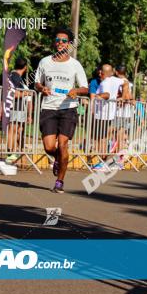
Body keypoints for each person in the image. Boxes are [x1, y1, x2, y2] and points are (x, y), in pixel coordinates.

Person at [35, 27, 89, 193]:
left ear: (69, 44)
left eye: (64, 41)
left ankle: (60, 182)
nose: (60, 43)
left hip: (68, 109)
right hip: (49, 108)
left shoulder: (75, 64)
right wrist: (42, 88)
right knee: (49, 147)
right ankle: (58, 159)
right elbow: (37, 83)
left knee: (63, 144)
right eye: (58, 40)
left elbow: (85, 88)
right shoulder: (45, 62)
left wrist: (76, 91)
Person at [0, 57, 31, 166]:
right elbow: (15, 94)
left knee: (18, 129)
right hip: (15, 106)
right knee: (13, 129)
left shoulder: (14, 76)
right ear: (25, 67)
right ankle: (10, 152)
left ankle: (14, 152)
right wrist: (26, 93)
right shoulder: (15, 77)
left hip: (17, 107)